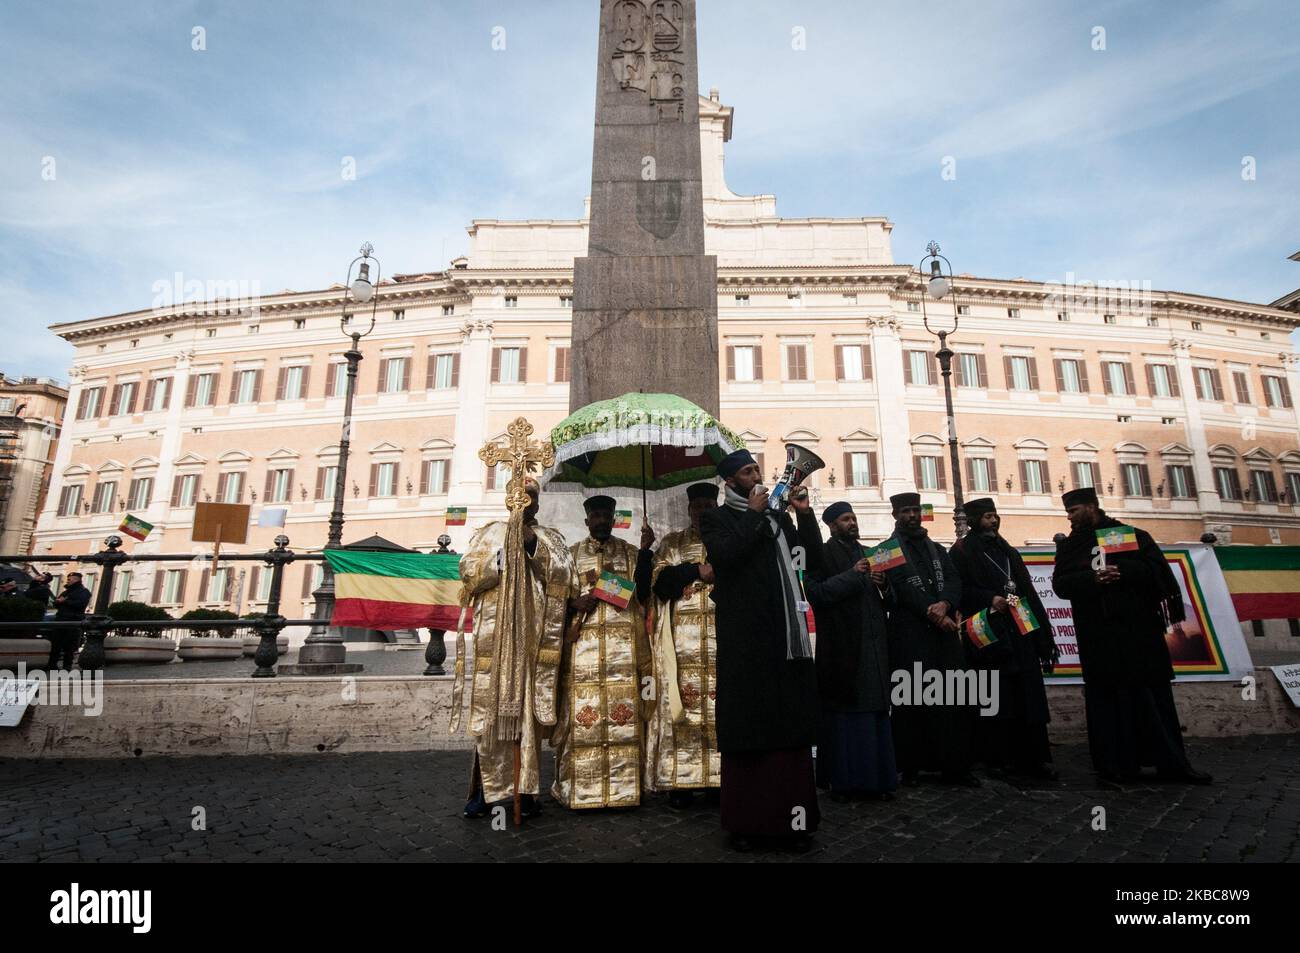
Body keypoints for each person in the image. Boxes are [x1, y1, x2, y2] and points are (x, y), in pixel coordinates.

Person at [700, 449, 821, 851]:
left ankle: (794, 824)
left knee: (788, 730)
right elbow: (726, 556)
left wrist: (802, 514)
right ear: (731, 481)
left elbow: (811, 562)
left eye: (756, 469)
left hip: (784, 640)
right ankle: (747, 825)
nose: (756, 475)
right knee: (750, 730)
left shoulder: (778, 517)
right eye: (747, 471)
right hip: (745, 640)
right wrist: (753, 515)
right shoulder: (716, 518)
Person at [1052, 487, 1212, 786]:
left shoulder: (1131, 535)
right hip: (1099, 637)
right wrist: (1092, 578)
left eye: (1073, 511)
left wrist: (1121, 571)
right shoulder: (1072, 545)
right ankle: (1116, 767)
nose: (1070, 517)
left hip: (1139, 634)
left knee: (1152, 699)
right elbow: (1061, 584)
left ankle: (1171, 764)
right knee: (1109, 702)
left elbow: (1156, 573)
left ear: (1090, 507)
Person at [454, 479, 576, 820]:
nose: (523, 502)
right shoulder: (487, 533)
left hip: (532, 640)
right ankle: (485, 790)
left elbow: (563, 575)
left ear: (537, 503)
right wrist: (500, 558)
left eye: (531, 497)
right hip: (496, 640)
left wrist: (532, 544)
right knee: (490, 716)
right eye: (517, 496)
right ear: (508, 500)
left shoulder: (550, 537)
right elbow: (469, 572)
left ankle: (526, 789)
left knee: (527, 717)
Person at [551, 495, 655, 810]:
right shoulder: (569, 556)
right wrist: (573, 603)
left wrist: (647, 551)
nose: (600, 520)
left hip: (623, 655)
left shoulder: (632, 553)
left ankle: (627, 789)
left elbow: (644, 592)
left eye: (605, 515)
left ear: (612, 519)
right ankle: (580, 789)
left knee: (627, 718)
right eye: (595, 515)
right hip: (582, 653)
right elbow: (553, 597)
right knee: (581, 719)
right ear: (587, 520)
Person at [948, 498, 1057, 780]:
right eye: (986, 517)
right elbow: (958, 590)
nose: (993, 521)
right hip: (989, 633)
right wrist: (989, 598)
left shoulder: (1007, 550)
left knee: (1027, 695)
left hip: (1019, 628)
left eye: (995, 516)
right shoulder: (961, 551)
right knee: (998, 698)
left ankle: (1033, 758)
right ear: (973, 520)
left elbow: (1025, 588)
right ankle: (999, 757)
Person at [881, 492, 978, 786]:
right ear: (895, 514)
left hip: (943, 635)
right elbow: (898, 587)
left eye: (915, 510)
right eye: (905, 511)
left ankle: (954, 765)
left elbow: (953, 580)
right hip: (909, 635)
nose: (911, 515)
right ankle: (910, 766)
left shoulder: (937, 548)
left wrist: (946, 604)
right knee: (910, 703)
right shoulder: (885, 550)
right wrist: (932, 612)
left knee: (950, 701)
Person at [803, 500, 898, 800]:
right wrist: (854, 575)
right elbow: (816, 593)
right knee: (846, 717)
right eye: (845, 519)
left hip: (873, 647)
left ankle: (879, 781)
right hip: (842, 648)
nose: (852, 523)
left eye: (853, 518)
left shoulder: (873, 553)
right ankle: (845, 783)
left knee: (876, 715)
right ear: (831, 525)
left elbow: (892, 599)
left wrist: (884, 586)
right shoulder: (822, 554)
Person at [646, 481, 721, 808]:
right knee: (683, 712)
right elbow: (659, 584)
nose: (703, 512)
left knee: (721, 712)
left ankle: (721, 778)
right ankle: (681, 781)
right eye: (698, 507)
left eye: (708, 506)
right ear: (690, 510)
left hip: (723, 643)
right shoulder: (672, 543)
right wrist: (694, 570)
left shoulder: (729, 540)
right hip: (682, 645)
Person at [49, 571, 91, 670]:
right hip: (60, 620)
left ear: (76, 580)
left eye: (69, 579)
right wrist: (58, 602)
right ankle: (52, 665)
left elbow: (80, 604)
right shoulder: (66, 591)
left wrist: (65, 601)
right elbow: (57, 603)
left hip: (73, 621)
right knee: (55, 645)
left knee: (69, 646)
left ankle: (67, 666)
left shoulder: (83, 592)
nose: (67, 581)